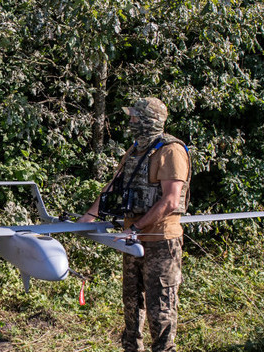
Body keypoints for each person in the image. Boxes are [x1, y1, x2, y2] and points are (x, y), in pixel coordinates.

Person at [78, 97, 191, 352]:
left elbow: (171, 200)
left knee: (160, 306)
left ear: (150, 121)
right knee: (131, 305)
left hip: (160, 240)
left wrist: (136, 228)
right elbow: (113, 185)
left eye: (135, 118)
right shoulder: (135, 150)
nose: (131, 122)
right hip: (133, 240)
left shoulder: (171, 151)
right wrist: (90, 216)